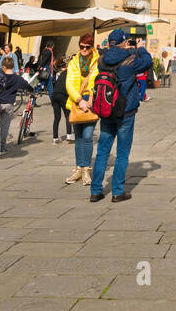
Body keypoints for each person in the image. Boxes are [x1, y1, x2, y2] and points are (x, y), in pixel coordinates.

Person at [90, 29, 153, 203]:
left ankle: (96, 191)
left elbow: (115, 56)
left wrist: (129, 49)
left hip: (107, 111)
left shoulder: (102, 60)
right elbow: (147, 62)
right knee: (122, 152)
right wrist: (140, 48)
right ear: (124, 43)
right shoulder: (131, 60)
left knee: (102, 151)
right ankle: (117, 191)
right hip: (125, 112)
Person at [65, 33, 101, 185]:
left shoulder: (98, 61)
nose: (84, 49)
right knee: (78, 137)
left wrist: (92, 97)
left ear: (92, 47)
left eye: (87, 47)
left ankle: (86, 169)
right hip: (76, 101)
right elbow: (69, 84)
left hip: (92, 101)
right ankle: (78, 168)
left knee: (87, 136)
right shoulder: (74, 62)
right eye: (82, 47)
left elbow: (97, 80)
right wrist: (79, 100)